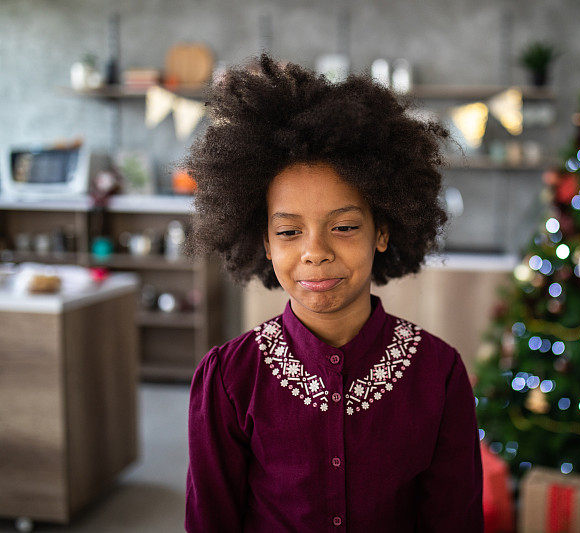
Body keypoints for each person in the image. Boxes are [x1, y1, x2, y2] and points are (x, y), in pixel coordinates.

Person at [180, 52, 484, 532]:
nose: (314, 252)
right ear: (262, 239)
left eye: (342, 226)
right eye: (288, 232)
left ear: (381, 231)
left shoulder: (438, 375)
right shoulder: (228, 380)